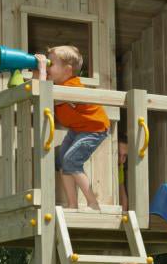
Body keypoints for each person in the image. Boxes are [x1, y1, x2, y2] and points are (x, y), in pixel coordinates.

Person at [34, 45, 108, 210]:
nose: (47, 66)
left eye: (50, 64)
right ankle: (72, 204)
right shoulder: (58, 85)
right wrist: (38, 72)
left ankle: (93, 203)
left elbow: (44, 96)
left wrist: (42, 73)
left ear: (67, 70)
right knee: (62, 162)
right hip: (78, 128)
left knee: (71, 161)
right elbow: (40, 91)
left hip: (94, 128)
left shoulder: (71, 86)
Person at [116, 130, 129, 213]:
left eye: (124, 156)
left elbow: (122, 192)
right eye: (118, 155)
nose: (121, 160)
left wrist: (124, 213)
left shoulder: (120, 166)